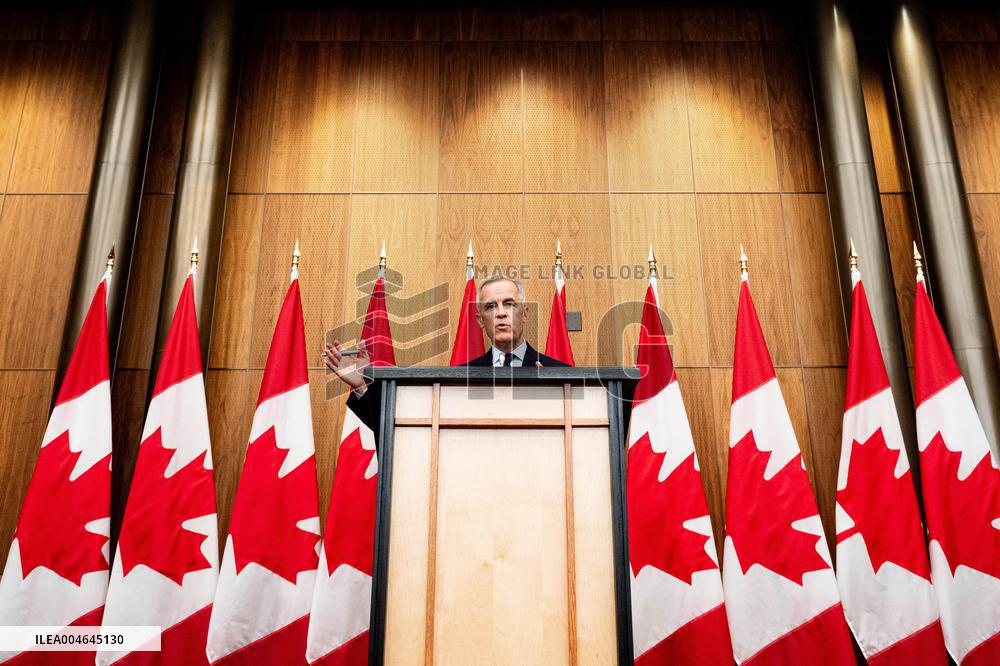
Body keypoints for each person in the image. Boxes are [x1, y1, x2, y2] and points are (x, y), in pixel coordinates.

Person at [323, 275, 570, 434]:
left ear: (525, 314)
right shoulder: (458, 378)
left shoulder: (560, 374)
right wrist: (363, 385)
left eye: (509, 304)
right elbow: (404, 428)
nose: (501, 313)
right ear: (480, 320)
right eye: (490, 306)